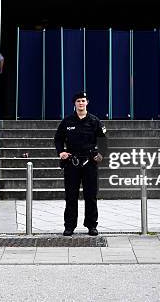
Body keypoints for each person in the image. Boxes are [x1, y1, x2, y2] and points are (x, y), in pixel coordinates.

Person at [54, 91, 106, 236]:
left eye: (83, 100)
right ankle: (69, 226)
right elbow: (58, 138)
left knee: (90, 196)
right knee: (71, 196)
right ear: (74, 103)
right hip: (72, 162)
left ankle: (91, 225)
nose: (81, 103)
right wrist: (61, 152)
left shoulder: (94, 121)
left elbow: (103, 140)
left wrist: (101, 154)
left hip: (90, 162)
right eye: (78, 101)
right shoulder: (67, 121)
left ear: (87, 102)